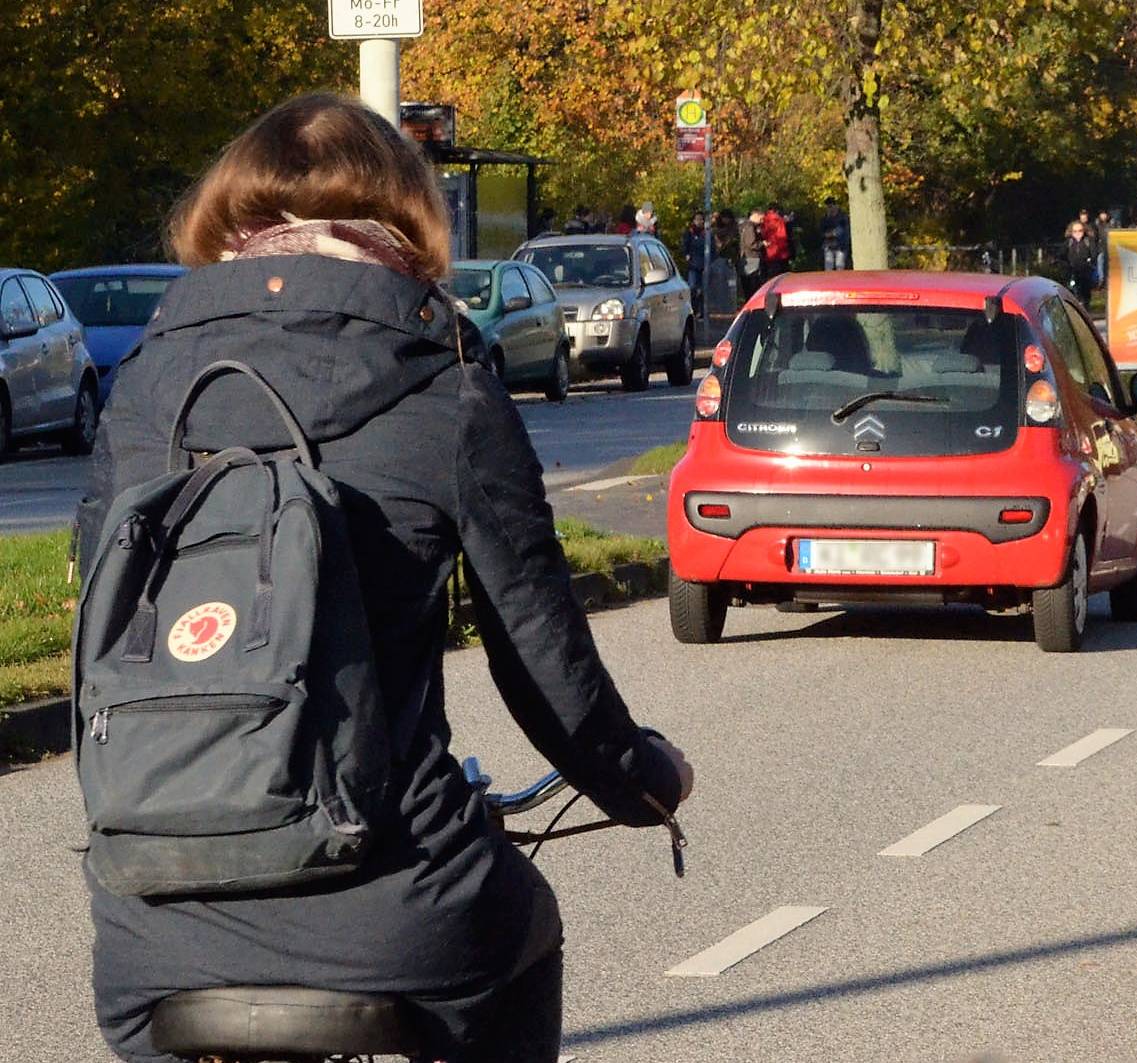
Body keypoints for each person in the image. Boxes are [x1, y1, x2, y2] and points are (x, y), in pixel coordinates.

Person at [77, 93, 693, 1063]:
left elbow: (95, 635)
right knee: (521, 929)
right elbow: (541, 662)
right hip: (404, 905)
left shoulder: (141, 387)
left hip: (156, 929)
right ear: (405, 217)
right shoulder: (445, 382)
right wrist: (640, 782)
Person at [680, 212, 710, 316]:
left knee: (703, 289)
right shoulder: (690, 232)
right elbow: (685, 245)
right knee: (692, 288)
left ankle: (702, 312)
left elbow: (712, 248)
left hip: (704, 264)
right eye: (697, 219)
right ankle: (693, 310)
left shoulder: (706, 233)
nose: (699, 221)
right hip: (693, 265)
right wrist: (687, 255)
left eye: (701, 219)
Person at [1063, 221, 1097, 305]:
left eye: (1080, 230)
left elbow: (1094, 254)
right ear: (1071, 232)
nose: (1077, 233)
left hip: (1085, 271)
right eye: (1075, 231)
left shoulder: (1088, 241)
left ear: (1084, 231)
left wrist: (1089, 262)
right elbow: (1061, 255)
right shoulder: (1068, 242)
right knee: (1072, 290)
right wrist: (1065, 264)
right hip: (1072, 270)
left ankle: (1085, 308)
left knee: (1085, 292)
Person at [759, 204, 790, 280]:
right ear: (777, 211)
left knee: (770, 277)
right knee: (782, 277)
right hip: (780, 253)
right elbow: (782, 237)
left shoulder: (763, 220)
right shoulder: (779, 220)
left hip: (768, 252)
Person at [738, 208, 764, 293]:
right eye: (760, 218)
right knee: (753, 285)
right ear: (755, 215)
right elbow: (751, 243)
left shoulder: (743, 226)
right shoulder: (750, 227)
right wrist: (762, 243)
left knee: (748, 284)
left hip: (746, 257)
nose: (761, 221)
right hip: (751, 258)